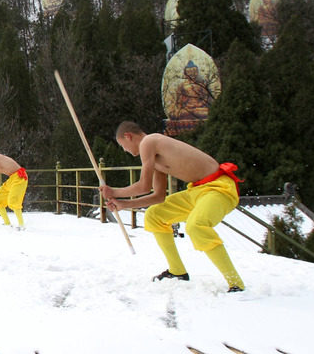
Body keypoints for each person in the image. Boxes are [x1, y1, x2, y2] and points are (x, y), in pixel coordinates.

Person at [98, 121, 246, 293]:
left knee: (196, 226)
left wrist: (114, 191)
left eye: (122, 145)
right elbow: (158, 196)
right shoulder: (155, 157)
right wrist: (123, 204)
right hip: (198, 192)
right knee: (154, 215)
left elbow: (144, 186)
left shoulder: (149, 142)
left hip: (218, 188)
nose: (124, 150)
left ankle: (236, 283)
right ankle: (177, 271)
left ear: (128, 136)